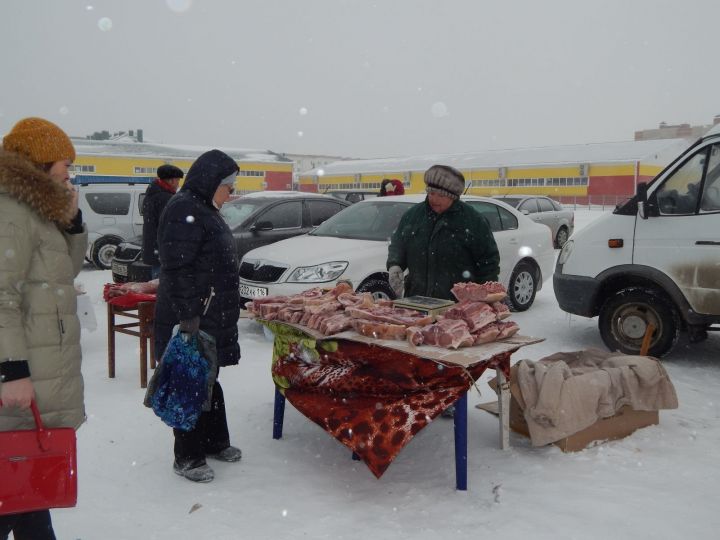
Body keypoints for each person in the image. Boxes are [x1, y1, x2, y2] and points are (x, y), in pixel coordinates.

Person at [0, 117, 87, 539]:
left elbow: (62, 274)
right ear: (38, 161)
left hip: (41, 363)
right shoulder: (11, 209)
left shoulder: (36, 209)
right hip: (22, 372)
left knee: (25, 484)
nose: (69, 173)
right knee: (14, 481)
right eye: (63, 163)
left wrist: (72, 226)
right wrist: (11, 371)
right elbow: (1, 296)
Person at [153, 149, 242, 483]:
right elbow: (177, 269)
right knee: (188, 384)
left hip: (209, 312)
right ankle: (187, 457)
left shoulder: (204, 207)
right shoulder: (185, 209)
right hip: (192, 316)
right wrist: (188, 315)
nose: (230, 194)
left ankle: (214, 442)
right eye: (228, 187)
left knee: (208, 377)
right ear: (211, 182)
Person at [387, 164, 500, 300]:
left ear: (453, 196)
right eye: (431, 193)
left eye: (441, 195)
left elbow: (488, 263)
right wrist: (395, 264)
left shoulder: (473, 221)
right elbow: (398, 244)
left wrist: (483, 298)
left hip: (457, 306)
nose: (434, 199)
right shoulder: (412, 216)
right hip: (416, 302)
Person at [142, 164, 184, 279]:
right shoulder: (165, 198)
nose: (178, 184)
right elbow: (172, 226)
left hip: (155, 248)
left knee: (157, 283)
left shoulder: (151, 195)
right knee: (163, 285)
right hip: (163, 249)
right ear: (170, 181)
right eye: (177, 181)